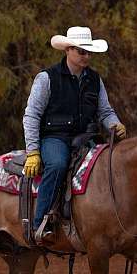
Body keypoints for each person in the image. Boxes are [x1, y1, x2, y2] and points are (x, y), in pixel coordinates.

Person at [22, 26, 126, 244]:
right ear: (67, 50)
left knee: (108, 165)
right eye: (81, 51)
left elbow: (105, 111)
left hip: (85, 138)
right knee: (58, 164)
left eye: (88, 52)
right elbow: (32, 115)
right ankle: (40, 223)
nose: (86, 56)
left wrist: (115, 125)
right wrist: (32, 150)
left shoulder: (95, 80)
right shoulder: (46, 78)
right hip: (54, 138)